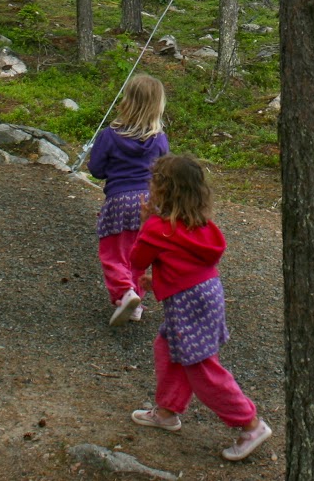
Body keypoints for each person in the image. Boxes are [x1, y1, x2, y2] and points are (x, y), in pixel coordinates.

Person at [126, 154, 273, 462]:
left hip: (186, 303)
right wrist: (162, 279)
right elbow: (186, 263)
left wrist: (145, 224)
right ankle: (167, 411)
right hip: (207, 294)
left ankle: (250, 423)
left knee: (201, 368)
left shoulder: (157, 228)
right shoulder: (199, 225)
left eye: (153, 182)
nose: (149, 186)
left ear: (164, 190)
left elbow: (137, 260)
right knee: (168, 347)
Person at [87, 74, 170, 325]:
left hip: (119, 201)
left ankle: (125, 293)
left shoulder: (109, 136)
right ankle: (135, 302)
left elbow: (97, 169)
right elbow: (164, 171)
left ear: (127, 101)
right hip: (149, 203)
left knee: (114, 252)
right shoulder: (159, 139)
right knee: (140, 254)